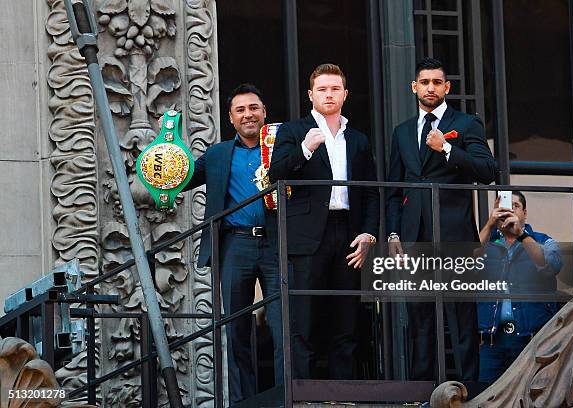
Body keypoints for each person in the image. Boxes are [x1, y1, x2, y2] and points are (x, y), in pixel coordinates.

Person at [386, 57, 496, 380]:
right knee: (419, 320)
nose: (430, 87)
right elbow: (394, 189)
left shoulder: (466, 123)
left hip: (454, 234)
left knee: (461, 320)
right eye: (424, 82)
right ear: (414, 87)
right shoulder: (402, 132)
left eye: (437, 82)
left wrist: (447, 149)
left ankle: (469, 395)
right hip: (414, 237)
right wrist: (393, 234)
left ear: (446, 87)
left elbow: (489, 171)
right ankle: (421, 394)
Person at [268, 63, 379, 379]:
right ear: (310, 95)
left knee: (346, 319)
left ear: (344, 94)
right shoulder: (293, 131)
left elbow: (371, 192)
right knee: (304, 319)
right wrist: (305, 148)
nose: (328, 94)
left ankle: (342, 393)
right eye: (322, 89)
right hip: (308, 234)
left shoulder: (357, 138)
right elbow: (276, 175)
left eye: (334, 89)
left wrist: (369, 231)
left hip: (348, 232)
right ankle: (302, 393)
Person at [182, 84, 282, 403]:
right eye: (240, 110)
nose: (247, 114)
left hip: (276, 245)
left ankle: (284, 398)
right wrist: (162, 154)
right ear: (230, 118)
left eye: (253, 108)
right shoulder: (218, 154)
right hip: (235, 246)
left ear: (264, 112)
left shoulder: (281, 147)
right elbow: (181, 178)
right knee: (236, 329)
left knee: (282, 327)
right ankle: (243, 402)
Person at [477, 191, 563, 383]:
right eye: (503, 205)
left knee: (532, 394)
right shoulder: (487, 244)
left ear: (525, 213)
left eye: (515, 206)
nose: (509, 210)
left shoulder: (543, 241)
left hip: (532, 339)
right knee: (487, 397)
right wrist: (490, 223)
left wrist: (521, 235)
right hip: (492, 341)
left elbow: (550, 266)